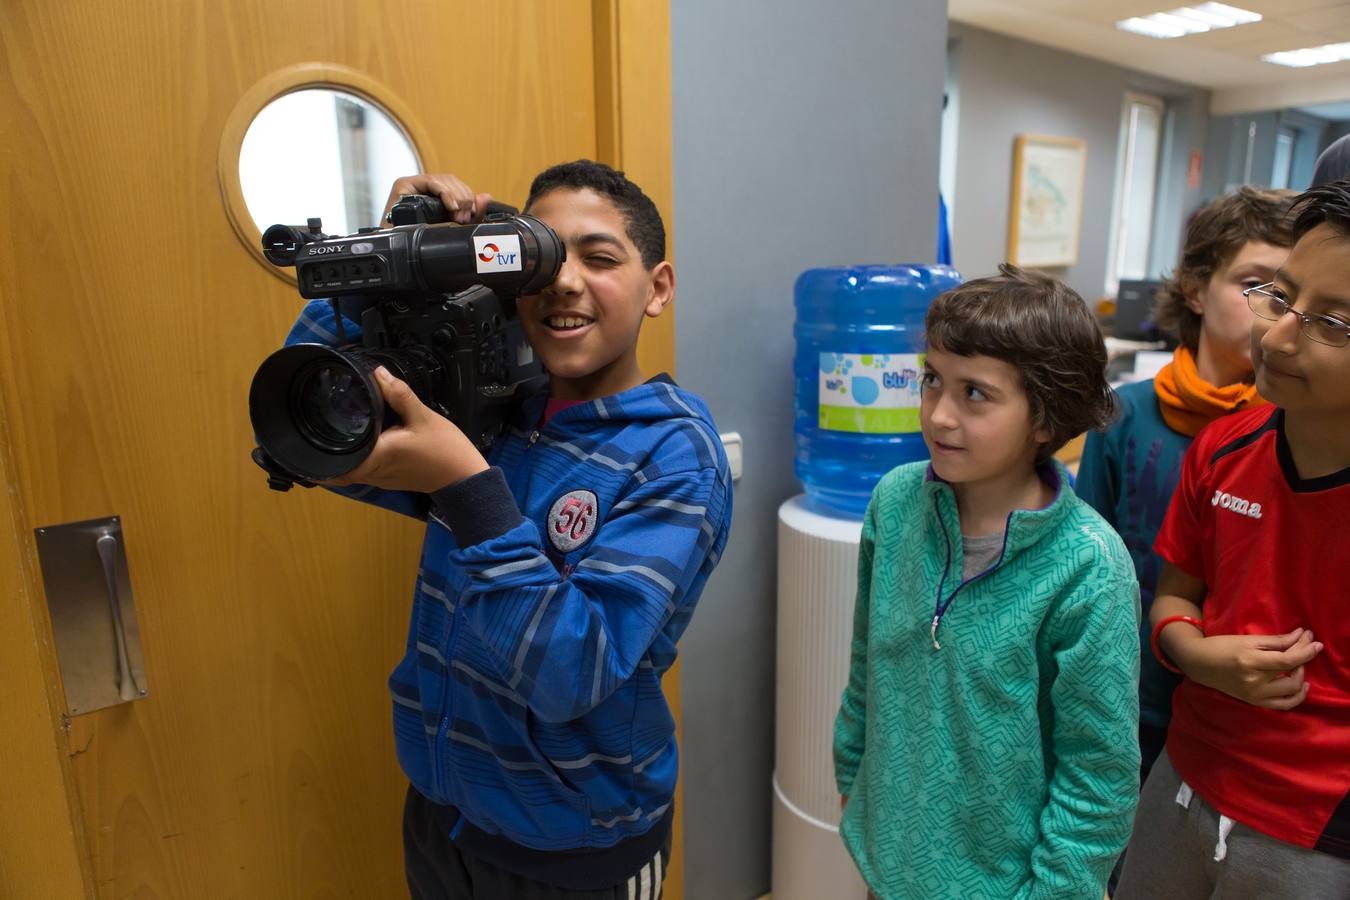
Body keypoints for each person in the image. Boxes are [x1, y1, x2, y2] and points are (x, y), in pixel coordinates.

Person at [280, 161, 732, 899]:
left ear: (659, 288)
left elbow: (570, 674)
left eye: (600, 257)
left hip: (575, 848)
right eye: (544, 257)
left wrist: (467, 488)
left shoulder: (675, 453)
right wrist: (384, 265)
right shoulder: (494, 420)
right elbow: (334, 450)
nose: (564, 281)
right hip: (444, 813)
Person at [833, 265, 1140, 899]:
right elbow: (869, 661)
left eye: (975, 394)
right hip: (889, 856)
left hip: (1008, 883)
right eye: (932, 381)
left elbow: (1098, 773)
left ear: (1046, 418)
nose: (939, 415)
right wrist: (851, 773)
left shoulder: (1088, 566)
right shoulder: (895, 505)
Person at [1114, 181, 1350, 899]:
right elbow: (1173, 598)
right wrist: (1196, 654)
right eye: (1279, 296)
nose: (1277, 336)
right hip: (1181, 778)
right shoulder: (1223, 448)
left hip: (1312, 829)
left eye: (1334, 325)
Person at [1076, 186, 1295, 778]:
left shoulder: (1291, 431)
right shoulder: (1124, 416)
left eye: (1287, 293)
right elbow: (1082, 560)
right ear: (1196, 290)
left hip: (1238, 712)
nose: (1271, 307)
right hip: (1122, 692)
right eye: (1254, 284)